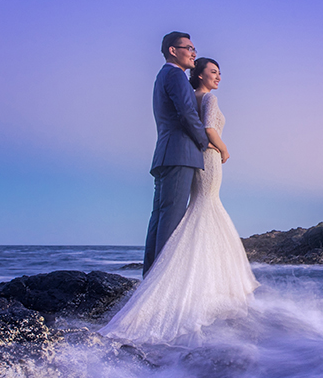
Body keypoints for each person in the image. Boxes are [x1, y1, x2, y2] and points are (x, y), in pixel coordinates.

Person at [102, 57, 259, 344]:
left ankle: (192, 280)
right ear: (199, 75)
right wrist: (223, 148)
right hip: (208, 158)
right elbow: (209, 128)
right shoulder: (207, 98)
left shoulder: (191, 95)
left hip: (193, 156)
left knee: (195, 212)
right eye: (213, 72)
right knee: (206, 209)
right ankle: (195, 285)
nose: (218, 77)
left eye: (219, 73)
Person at [142, 31, 209, 275]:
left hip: (165, 154)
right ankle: (161, 282)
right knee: (172, 220)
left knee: (159, 219)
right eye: (189, 48)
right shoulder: (176, 75)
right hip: (180, 154)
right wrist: (204, 142)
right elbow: (186, 113)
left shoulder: (162, 76)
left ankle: (149, 279)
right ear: (173, 50)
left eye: (194, 49)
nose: (194, 53)